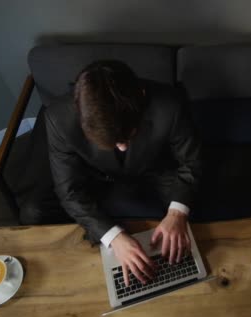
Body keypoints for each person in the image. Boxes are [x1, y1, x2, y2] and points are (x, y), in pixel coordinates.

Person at [37, 60, 201, 286]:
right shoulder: (57, 118)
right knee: (34, 211)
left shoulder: (170, 103)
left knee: (195, 214)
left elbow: (192, 161)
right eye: (114, 142)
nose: (123, 146)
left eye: (128, 135)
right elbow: (69, 190)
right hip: (96, 177)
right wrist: (113, 237)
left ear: (140, 95)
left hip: (155, 169)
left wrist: (177, 214)